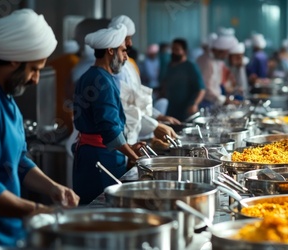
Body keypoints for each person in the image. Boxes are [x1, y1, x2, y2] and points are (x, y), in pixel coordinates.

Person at [0, 9, 79, 249]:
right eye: (34, 69)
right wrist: (38, 211)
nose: (36, 79)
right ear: (13, 59)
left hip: (5, 232)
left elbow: (17, 160)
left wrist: (52, 188)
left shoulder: (4, 95)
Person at [72, 25, 144, 204]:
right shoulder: (101, 81)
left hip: (93, 155)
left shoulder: (90, 75)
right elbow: (109, 128)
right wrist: (135, 158)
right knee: (102, 210)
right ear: (110, 51)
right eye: (123, 51)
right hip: (101, 158)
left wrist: (128, 147)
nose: (126, 56)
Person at [108, 15, 179, 144]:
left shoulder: (128, 64)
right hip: (119, 138)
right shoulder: (111, 71)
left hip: (132, 135)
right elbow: (124, 107)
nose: (130, 44)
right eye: (127, 39)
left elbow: (137, 99)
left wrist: (158, 116)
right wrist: (154, 126)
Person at [162, 38, 206, 121]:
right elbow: (165, 83)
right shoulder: (170, 66)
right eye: (172, 49)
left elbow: (201, 89)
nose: (173, 52)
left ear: (184, 51)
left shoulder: (190, 66)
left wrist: (194, 104)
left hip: (186, 111)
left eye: (177, 49)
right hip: (171, 110)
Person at [197, 27, 238, 108]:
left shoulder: (216, 60)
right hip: (205, 101)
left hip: (213, 100)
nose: (226, 56)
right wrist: (223, 100)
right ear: (219, 51)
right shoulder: (207, 62)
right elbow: (206, 87)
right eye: (225, 53)